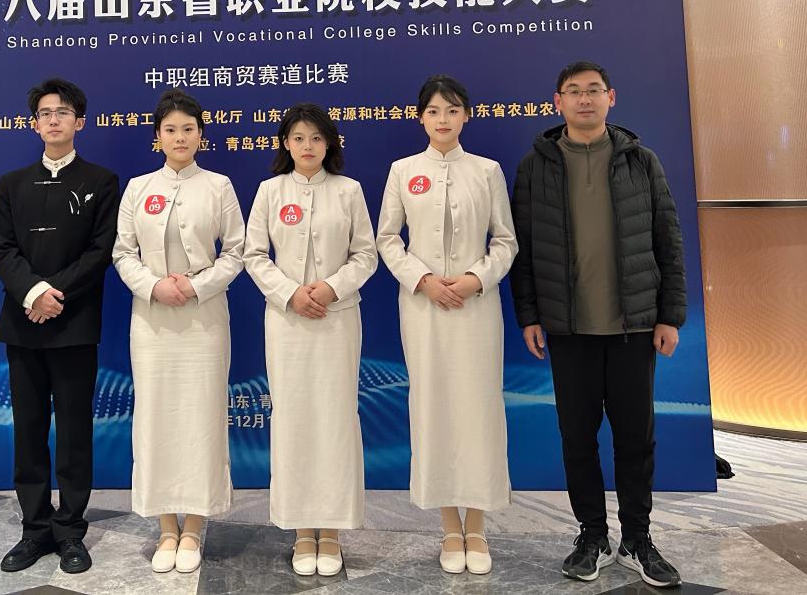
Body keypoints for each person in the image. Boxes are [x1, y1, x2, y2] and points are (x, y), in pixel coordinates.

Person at [510, 60, 686, 588]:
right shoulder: (536, 166)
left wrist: (670, 315)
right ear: (557, 101)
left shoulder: (640, 161)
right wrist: (529, 315)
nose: (584, 99)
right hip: (568, 329)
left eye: (593, 90)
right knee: (577, 439)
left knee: (636, 439)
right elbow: (523, 249)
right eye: (573, 91)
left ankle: (637, 539)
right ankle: (592, 536)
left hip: (634, 326)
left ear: (611, 97)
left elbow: (668, 240)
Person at [376, 74, 517, 575]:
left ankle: (475, 524)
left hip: (476, 307)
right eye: (434, 111)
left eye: (452, 111)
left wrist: (476, 279)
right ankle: (447, 525)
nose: (443, 119)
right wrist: (424, 280)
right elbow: (387, 239)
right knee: (432, 405)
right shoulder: (403, 171)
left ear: (466, 117)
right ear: (421, 118)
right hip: (424, 307)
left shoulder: (486, 170)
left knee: (478, 408)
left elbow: (505, 241)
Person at [0, 78, 120, 575]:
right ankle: (34, 528)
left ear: (79, 122)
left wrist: (54, 295)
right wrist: (32, 294)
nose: (54, 120)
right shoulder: (12, 183)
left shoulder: (101, 181)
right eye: (45, 113)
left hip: (74, 323)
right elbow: (3, 249)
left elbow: (100, 251)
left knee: (73, 430)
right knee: (27, 430)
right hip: (23, 324)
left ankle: (70, 530)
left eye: (63, 112)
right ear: (34, 124)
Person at [112, 89, 245, 573]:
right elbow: (122, 252)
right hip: (152, 321)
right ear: (158, 137)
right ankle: (167, 525)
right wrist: (153, 287)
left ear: (201, 135)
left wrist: (196, 286)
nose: (180, 137)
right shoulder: (138, 187)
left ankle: (195, 524)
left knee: (201, 415)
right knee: (157, 416)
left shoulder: (219, 186)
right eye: (171, 129)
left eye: (189, 129)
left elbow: (237, 251)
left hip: (203, 319)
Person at [243, 103, 377, 578]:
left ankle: (332, 529)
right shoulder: (269, 191)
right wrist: (291, 293)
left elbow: (366, 254)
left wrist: (331, 288)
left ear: (330, 143)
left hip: (337, 319)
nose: (307, 146)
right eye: (298, 138)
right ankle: (302, 529)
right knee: (294, 418)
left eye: (317, 138)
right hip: (288, 321)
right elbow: (253, 254)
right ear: (285, 143)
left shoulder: (349, 190)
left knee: (336, 418)